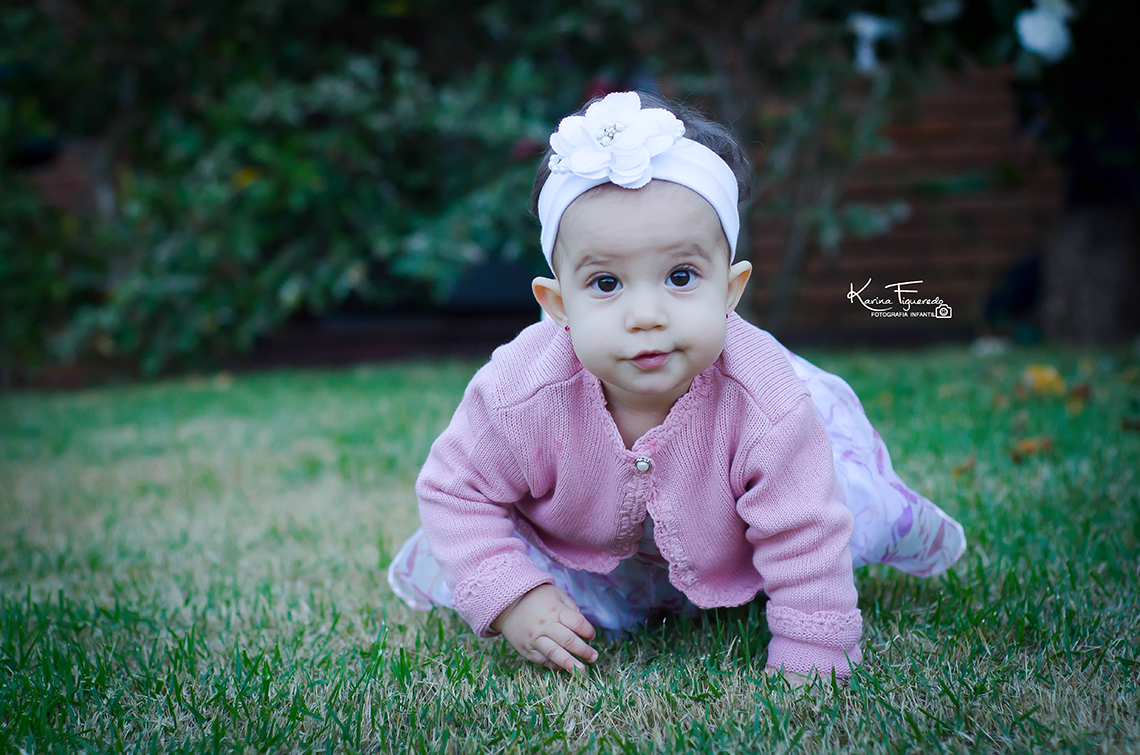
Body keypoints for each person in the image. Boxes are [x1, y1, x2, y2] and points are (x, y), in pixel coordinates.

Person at [388, 91, 965, 685]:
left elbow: (804, 531)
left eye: (681, 276)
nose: (646, 315)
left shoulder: (763, 400)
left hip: (733, 539)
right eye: (606, 283)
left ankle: (754, 587)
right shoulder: (521, 392)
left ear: (731, 289)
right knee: (490, 553)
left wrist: (814, 650)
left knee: (822, 510)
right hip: (584, 552)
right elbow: (456, 490)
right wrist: (513, 597)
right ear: (558, 304)